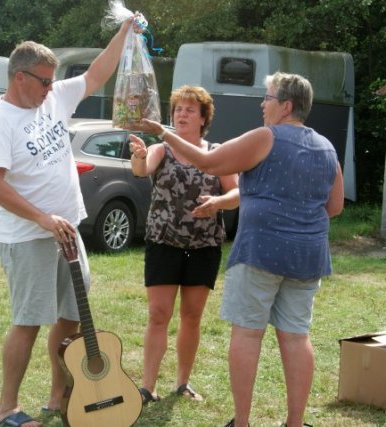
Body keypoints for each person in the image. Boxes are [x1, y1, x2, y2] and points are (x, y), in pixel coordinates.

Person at [127, 72, 344, 427]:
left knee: (247, 333)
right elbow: (334, 207)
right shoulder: (326, 146)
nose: (262, 103)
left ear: (286, 105)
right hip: (308, 257)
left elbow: (210, 163)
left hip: (261, 253)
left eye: (268, 98)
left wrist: (164, 132)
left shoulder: (266, 137)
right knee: (296, 337)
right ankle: (295, 422)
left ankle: (241, 422)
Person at [0, 16, 143, 427]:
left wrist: (123, 34)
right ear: (20, 78)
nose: (51, 88)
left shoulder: (51, 100)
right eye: (43, 81)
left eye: (53, 81)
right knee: (29, 321)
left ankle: (59, 395)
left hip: (67, 231)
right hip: (28, 237)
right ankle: (6, 410)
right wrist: (42, 218)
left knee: (71, 317)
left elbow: (96, 74)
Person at [129, 85, 239, 404]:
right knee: (158, 314)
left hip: (203, 246)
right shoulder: (162, 148)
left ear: (204, 118)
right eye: (178, 109)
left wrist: (218, 202)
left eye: (190, 110)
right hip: (164, 242)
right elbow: (142, 169)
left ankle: (182, 382)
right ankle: (147, 386)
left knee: (192, 317)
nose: (182, 114)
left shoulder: (215, 154)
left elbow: (236, 194)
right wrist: (138, 156)